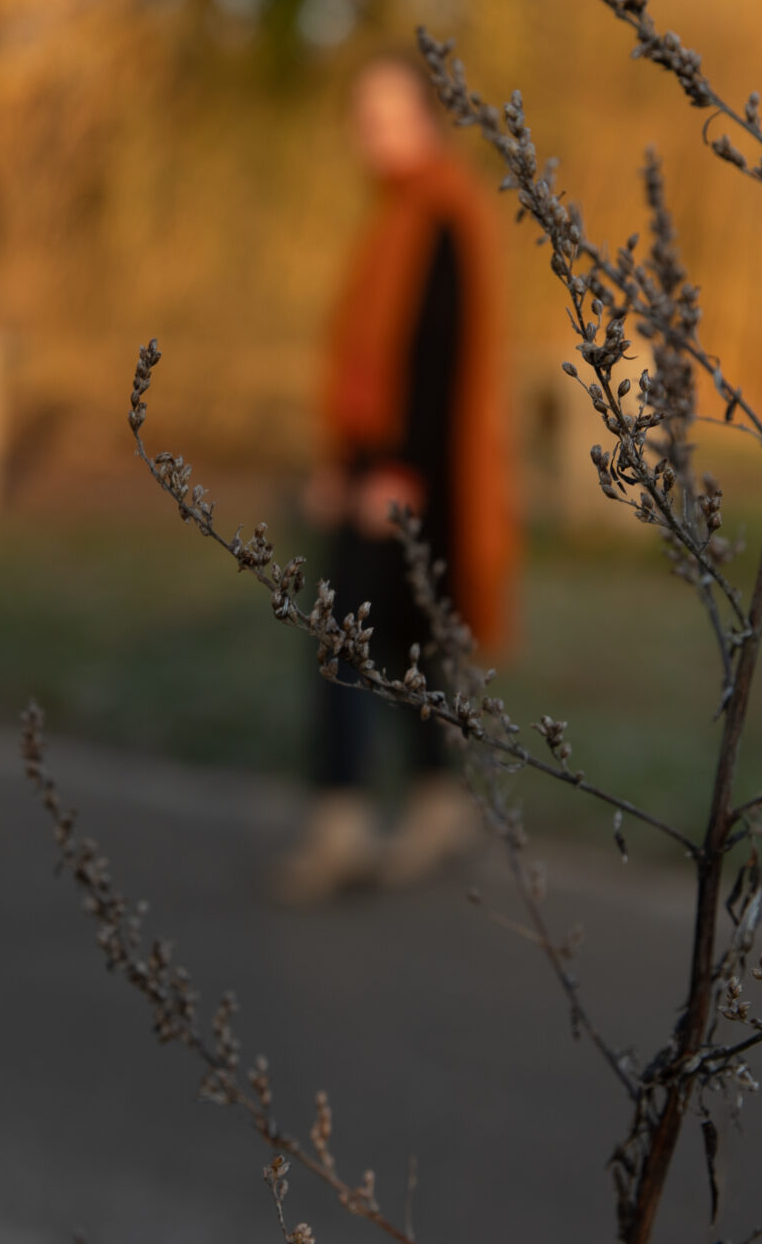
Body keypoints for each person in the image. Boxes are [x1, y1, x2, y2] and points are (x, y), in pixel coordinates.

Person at [274, 54, 516, 906]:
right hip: (383, 467)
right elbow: (364, 364)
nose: (368, 131)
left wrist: (390, 472)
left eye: (385, 113)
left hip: (414, 475)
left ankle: (341, 822)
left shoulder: (441, 217)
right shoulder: (395, 217)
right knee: (412, 642)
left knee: (345, 638)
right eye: (361, 114)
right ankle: (435, 802)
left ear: (427, 118)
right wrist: (343, 463)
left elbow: (437, 357)